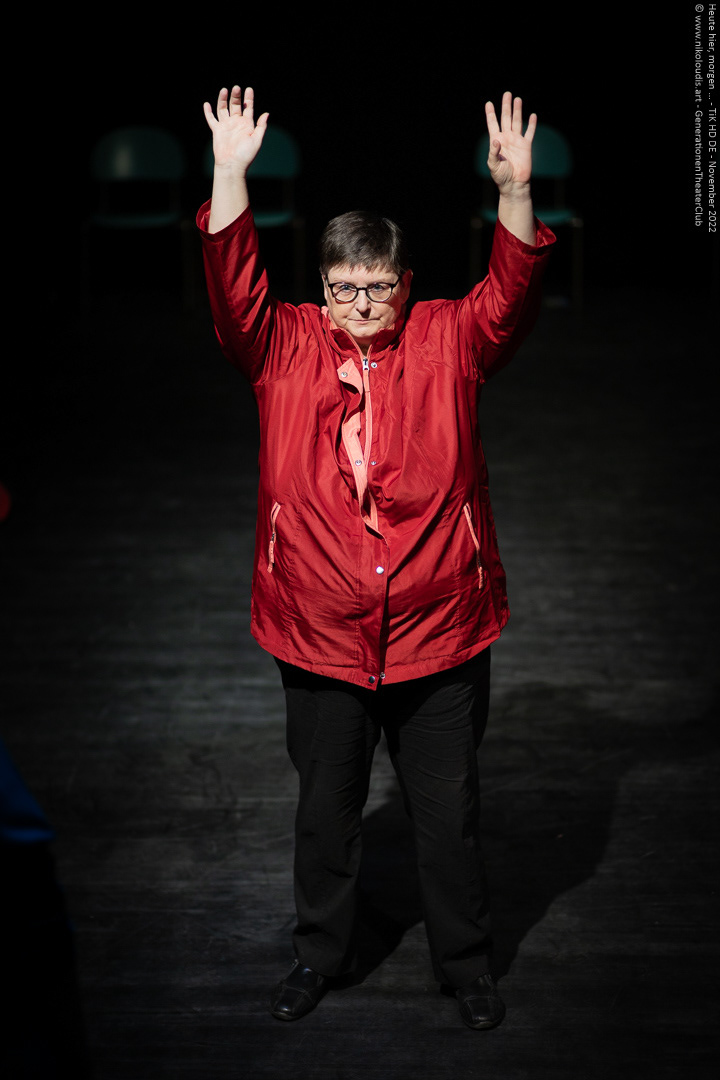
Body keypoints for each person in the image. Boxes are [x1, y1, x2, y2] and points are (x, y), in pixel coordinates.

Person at [198, 85, 554, 1030]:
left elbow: (511, 298)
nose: (361, 304)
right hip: (318, 629)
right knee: (326, 814)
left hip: (441, 628)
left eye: (379, 286)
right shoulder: (282, 344)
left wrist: (515, 194)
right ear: (322, 287)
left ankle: (466, 965)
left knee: (449, 815)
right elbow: (232, 287)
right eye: (343, 288)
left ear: (406, 283)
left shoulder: (447, 337)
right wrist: (229, 174)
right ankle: (320, 954)